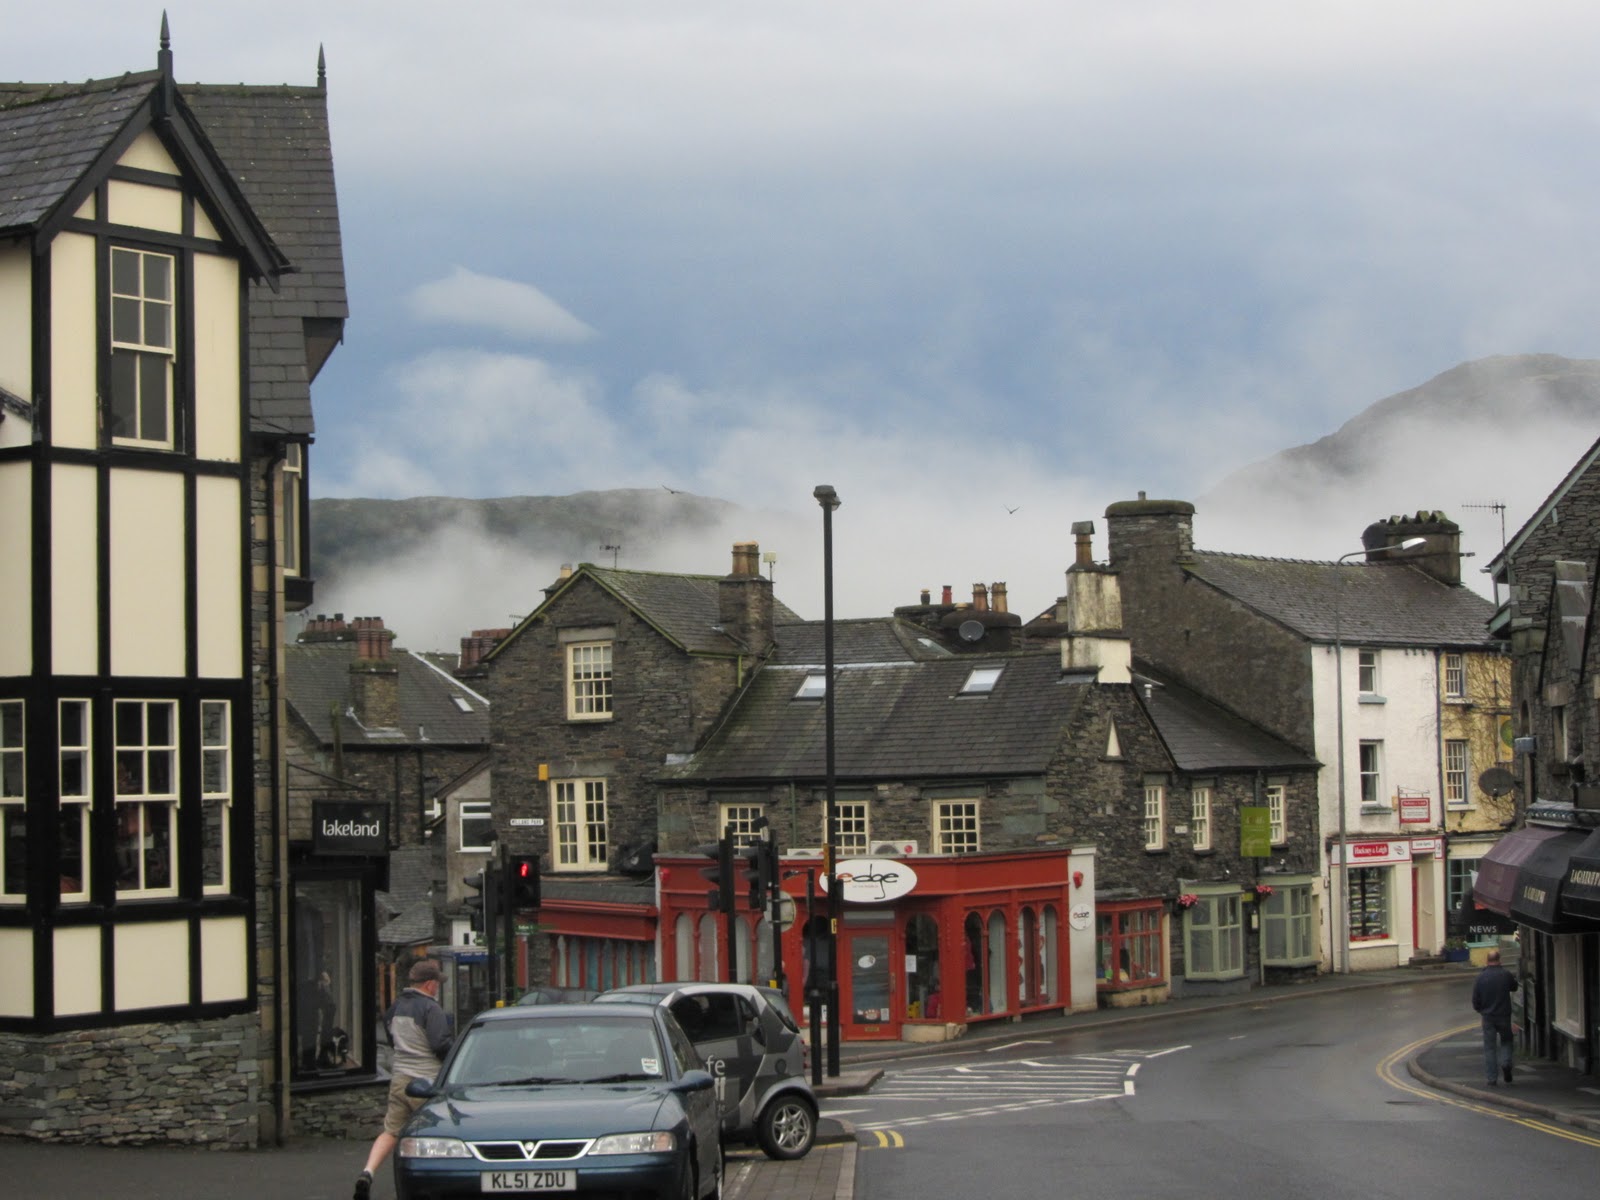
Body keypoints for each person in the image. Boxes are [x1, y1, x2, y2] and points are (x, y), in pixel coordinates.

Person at [354, 958, 454, 1199]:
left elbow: (391, 1041)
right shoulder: (431, 1008)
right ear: (429, 984)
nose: (438, 987)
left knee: (390, 1131)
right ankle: (434, 1184)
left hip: (400, 1079)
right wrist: (455, 1057)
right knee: (437, 1133)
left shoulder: (395, 1007)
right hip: (427, 1081)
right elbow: (440, 1043)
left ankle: (368, 1171)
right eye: (437, 983)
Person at [1471, 947, 1518, 1086]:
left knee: (1490, 1047)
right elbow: (1514, 987)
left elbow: (1475, 1000)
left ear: (1487, 961)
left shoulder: (1480, 977)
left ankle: (1492, 1078)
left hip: (1488, 1017)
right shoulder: (1505, 974)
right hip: (1504, 1015)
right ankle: (1506, 1063)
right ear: (1499, 960)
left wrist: (1481, 1010)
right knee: (1507, 1041)